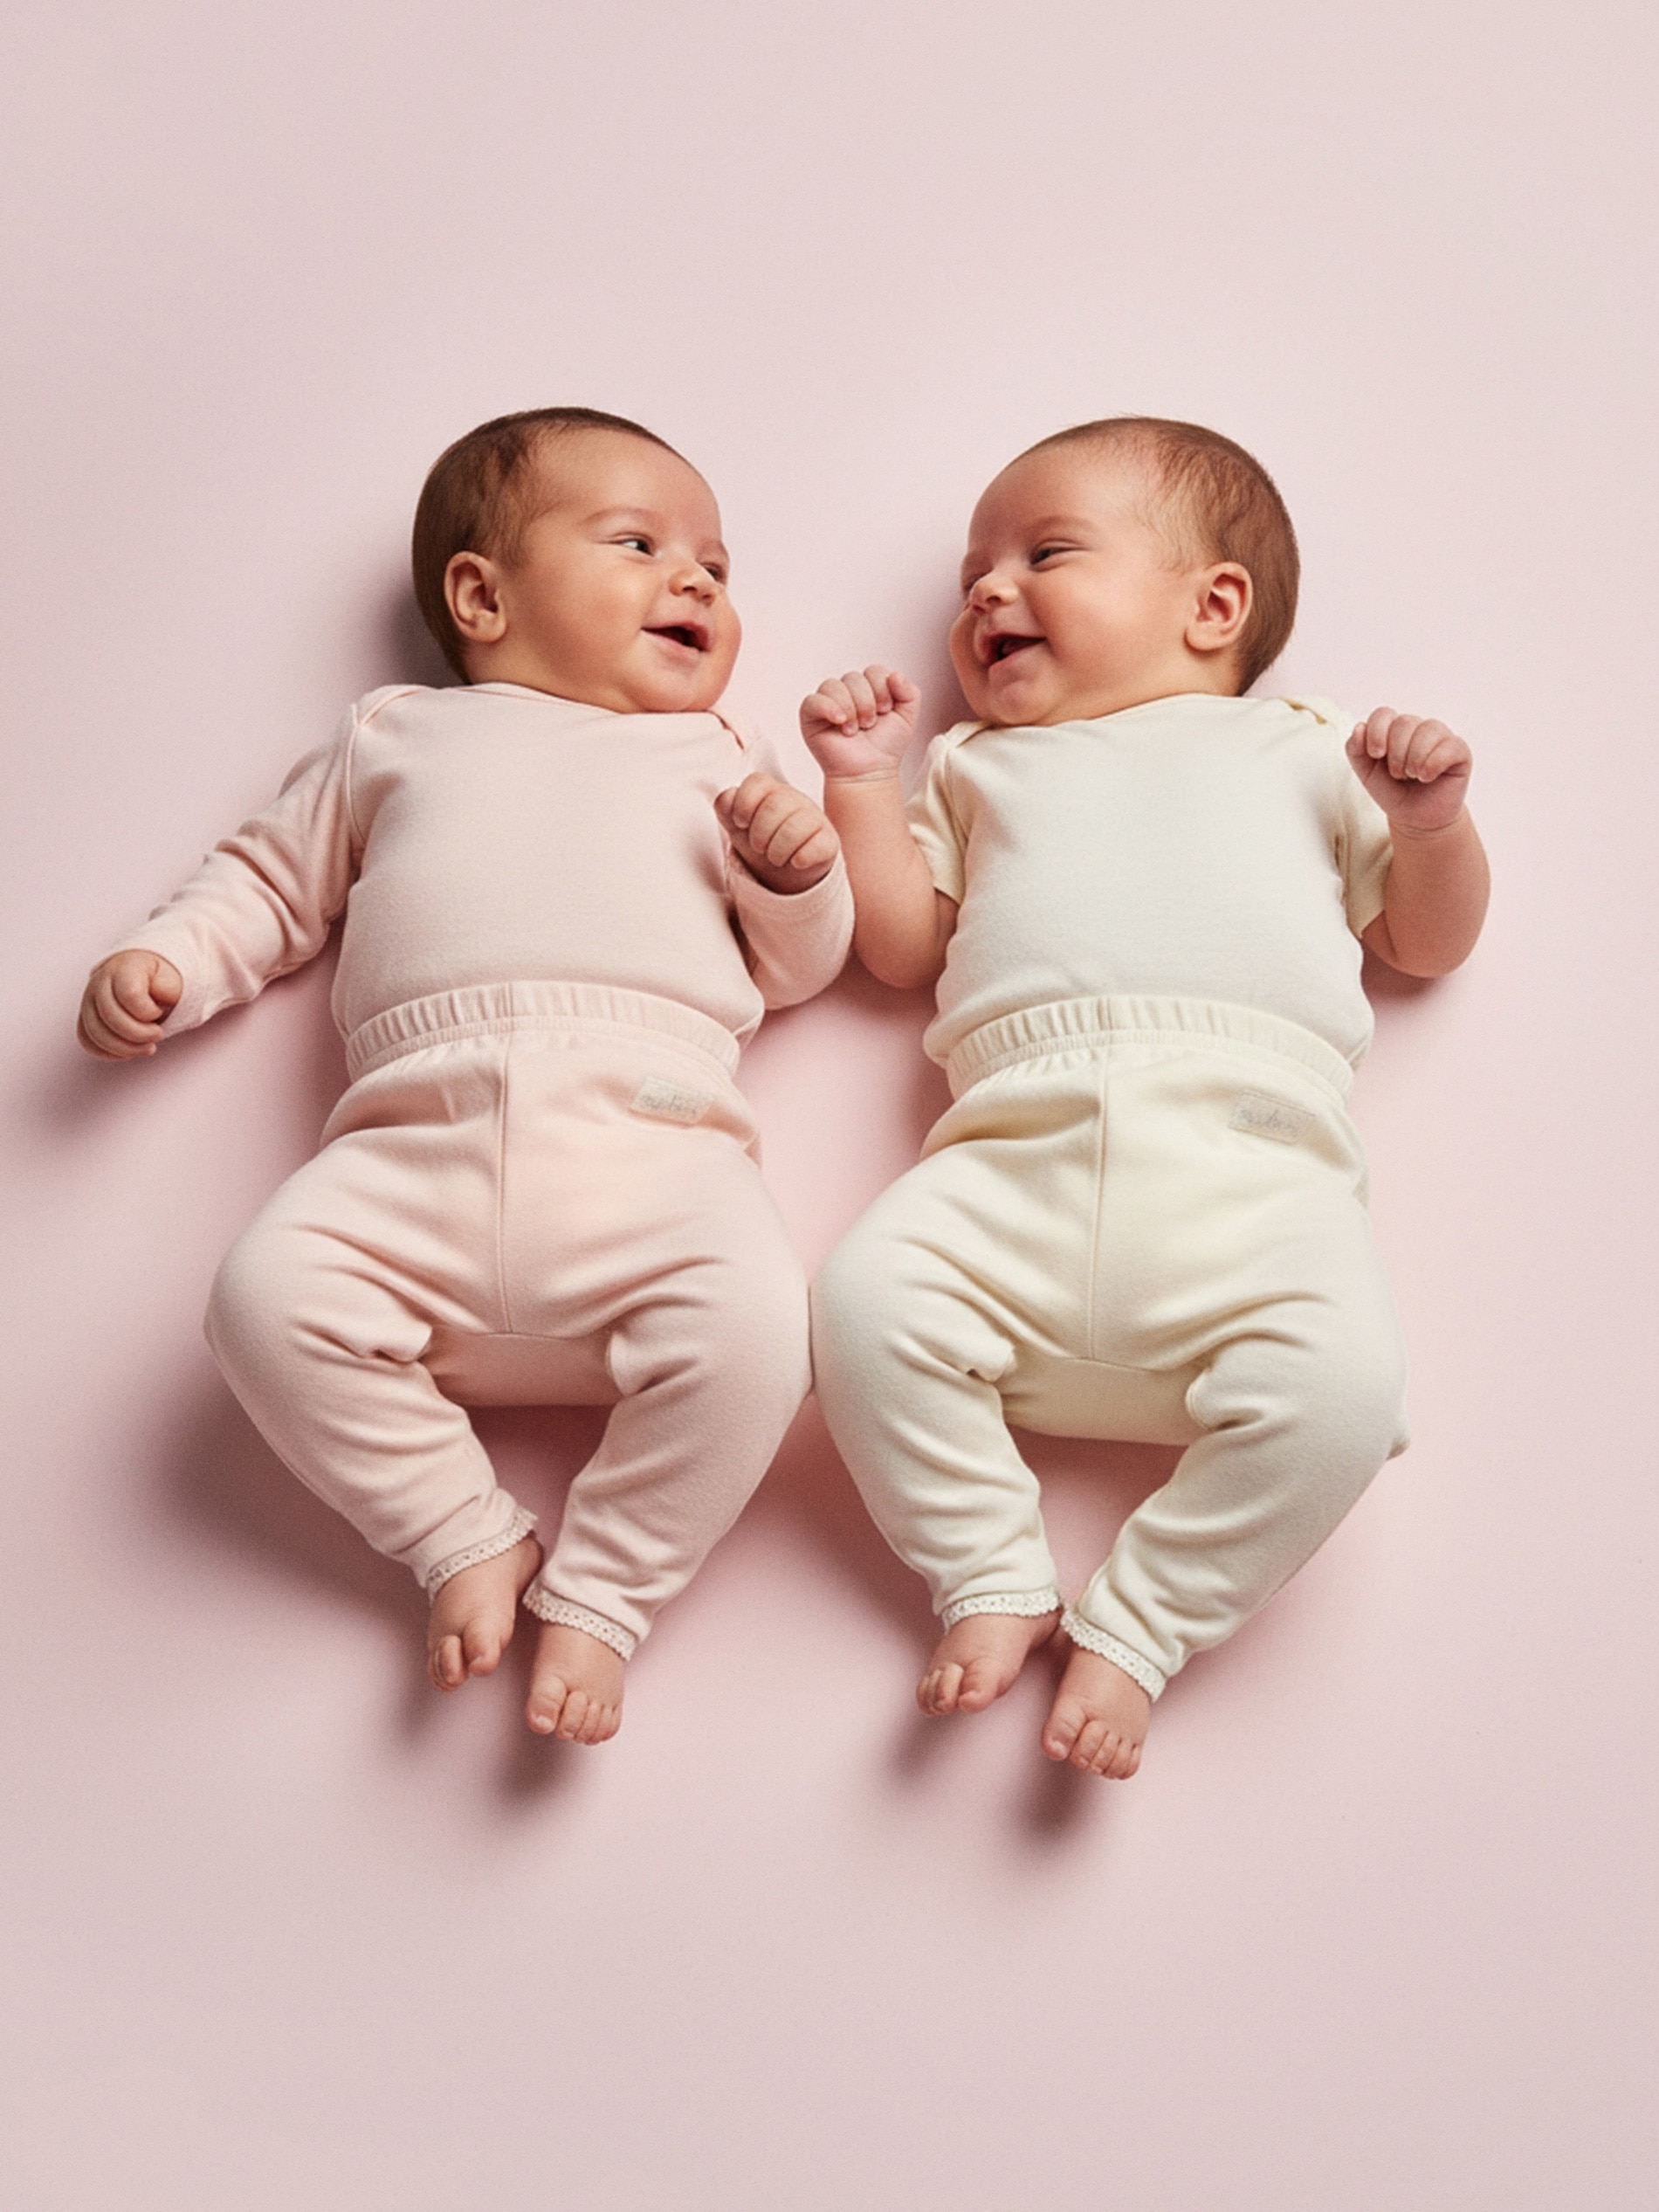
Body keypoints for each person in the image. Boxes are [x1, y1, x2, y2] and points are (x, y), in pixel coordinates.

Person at [79, 407, 851, 1745]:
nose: (696, 579)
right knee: (261, 1301)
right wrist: (170, 960)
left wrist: (801, 874)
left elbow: (796, 970)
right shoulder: (397, 735)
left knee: (765, 1335)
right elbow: (268, 882)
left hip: (656, 1145)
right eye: (640, 543)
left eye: (717, 566)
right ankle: (460, 1529)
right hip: (409, 1146)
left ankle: (607, 1591)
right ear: (483, 597)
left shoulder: (723, 760)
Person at [803, 417, 1488, 1779]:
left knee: (1349, 1391)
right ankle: (989, 1567)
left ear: (1212, 606)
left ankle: (1144, 1621)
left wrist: (1430, 825)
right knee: (861, 1303)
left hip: (1257, 1176)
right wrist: (862, 786)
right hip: (1012, 1161)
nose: (987, 593)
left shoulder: (1311, 751)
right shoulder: (976, 765)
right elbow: (900, 946)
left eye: (1043, 555)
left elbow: (1427, 941)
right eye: (972, 578)